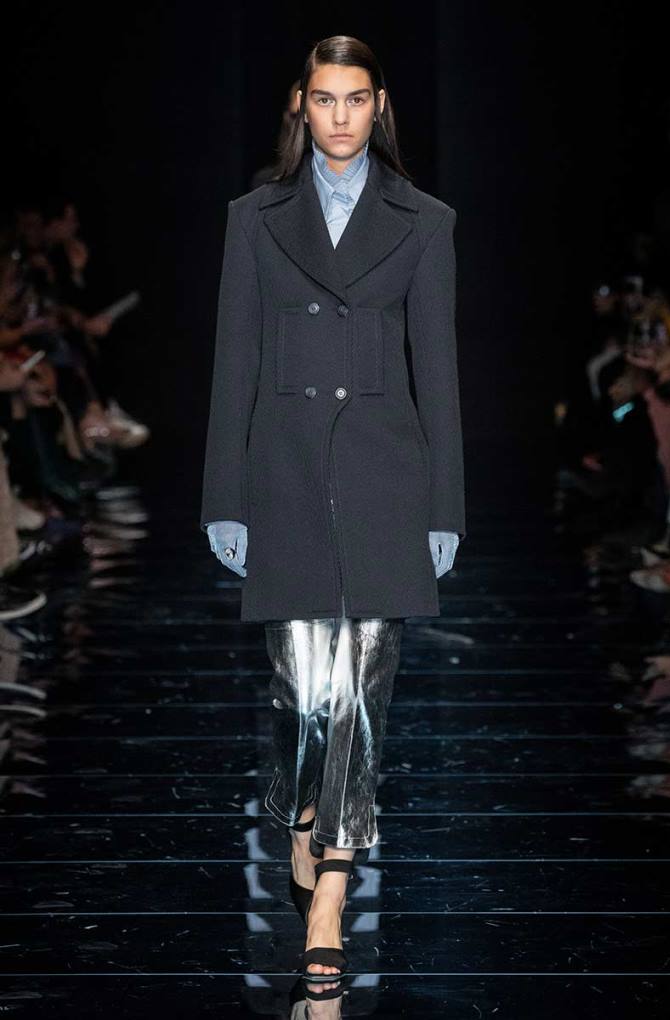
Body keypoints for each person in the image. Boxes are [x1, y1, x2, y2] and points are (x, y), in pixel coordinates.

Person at [200, 35, 466, 990]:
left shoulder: (425, 221)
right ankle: (300, 813)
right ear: (300, 105)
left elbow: (438, 369)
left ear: (379, 105)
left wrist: (445, 506)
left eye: (357, 98)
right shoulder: (255, 218)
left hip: (387, 473)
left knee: (362, 691)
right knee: (302, 694)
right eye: (325, 98)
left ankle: (332, 893)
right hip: (283, 471)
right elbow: (234, 359)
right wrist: (224, 497)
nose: (342, 115)